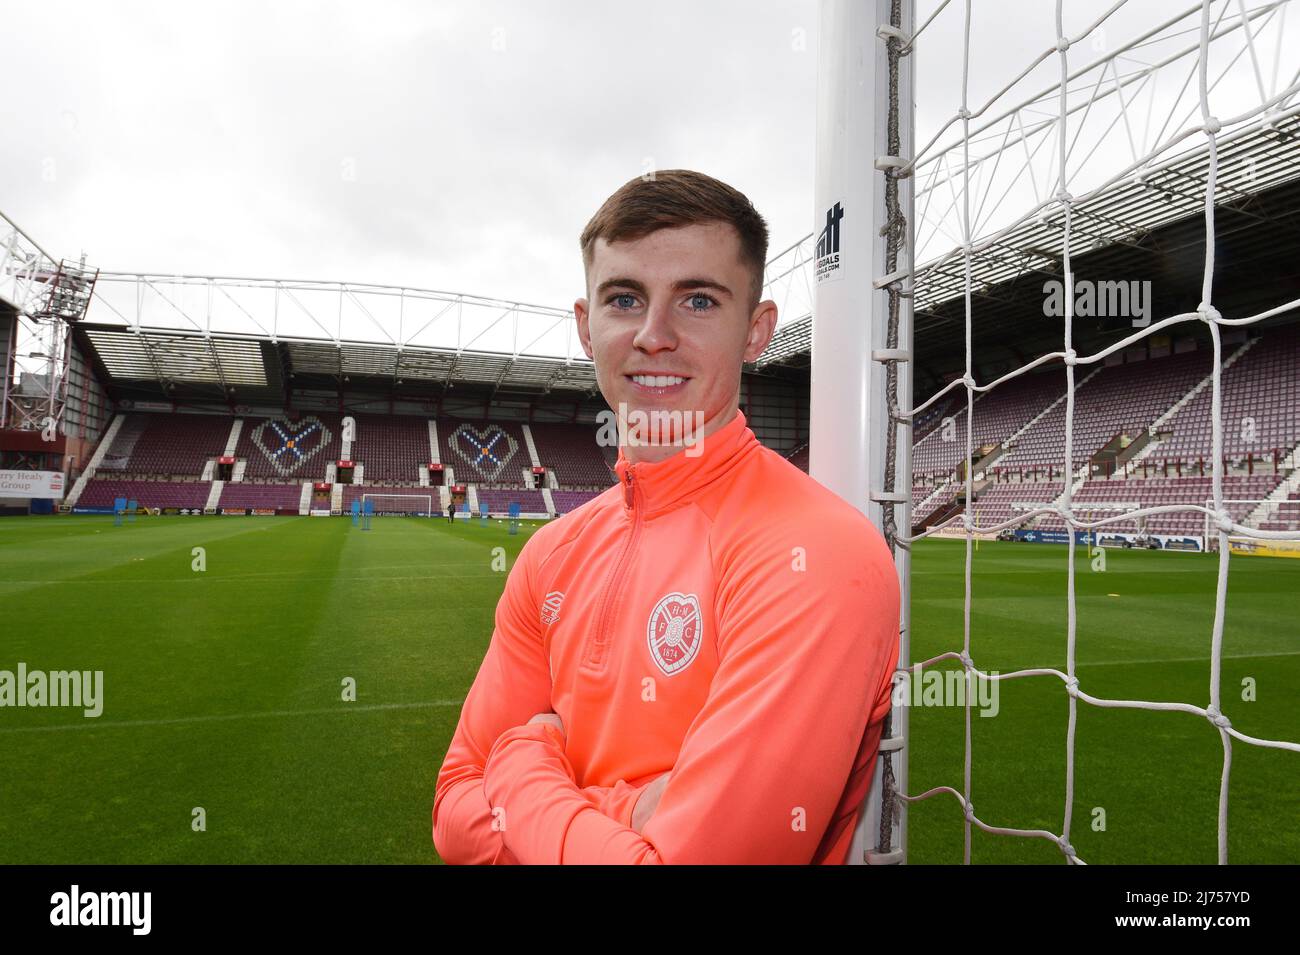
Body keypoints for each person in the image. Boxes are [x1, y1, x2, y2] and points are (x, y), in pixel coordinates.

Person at [432, 169, 900, 864]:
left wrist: (525, 759)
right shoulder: (551, 554)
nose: (654, 335)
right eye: (625, 298)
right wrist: (632, 814)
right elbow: (452, 811)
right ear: (587, 327)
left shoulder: (815, 553)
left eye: (699, 301)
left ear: (756, 330)